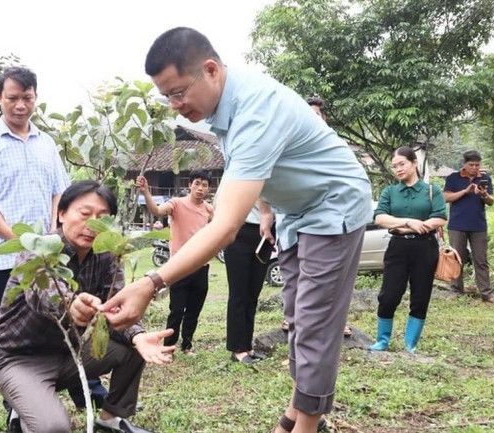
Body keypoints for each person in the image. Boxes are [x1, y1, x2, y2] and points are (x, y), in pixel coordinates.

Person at [102, 28, 373, 433]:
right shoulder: (227, 107)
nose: (175, 106)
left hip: (333, 205)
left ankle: (305, 425)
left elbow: (225, 227)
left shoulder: (254, 109)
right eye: (166, 97)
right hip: (295, 212)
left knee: (315, 321)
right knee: (297, 317)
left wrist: (152, 282)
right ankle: (299, 411)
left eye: (178, 93)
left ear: (210, 70)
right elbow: (261, 172)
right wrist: (267, 210)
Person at [0, 180, 175, 433]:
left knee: (134, 343)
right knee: (53, 427)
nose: (91, 225)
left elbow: (117, 306)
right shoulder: (39, 249)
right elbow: (42, 294)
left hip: (71, 354)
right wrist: (70, 304)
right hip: (21, 359)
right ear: (62, 213)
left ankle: (111, 419)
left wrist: (139, 336)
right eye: (84, 213)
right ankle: (22, 408)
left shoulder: (107, 255)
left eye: (102, 218)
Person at [0, 66, 72, 432]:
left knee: (53, 323)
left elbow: (61, 191)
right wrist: (17, 239)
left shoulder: (47, 143)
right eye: (13, 98)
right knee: (10, 334)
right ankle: (14, 404)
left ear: (36, 97)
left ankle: (47, 393)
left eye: (27, 98)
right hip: (4, 258)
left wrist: (56, 230)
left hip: (47, 257)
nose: (20, 105)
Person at [368, 146, 447, 353]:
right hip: (398, 247)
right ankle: (382, 341)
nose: (398, 169)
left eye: (402, 164)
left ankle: (410, 345)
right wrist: (409, 222)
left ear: (414, 163)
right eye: (394, 166)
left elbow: (440, 217)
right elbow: (380, 218)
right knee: (389, 295)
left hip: (425, 246)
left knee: (420, 295)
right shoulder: (390, 191)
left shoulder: (432, 191)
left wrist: (418, 225)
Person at [136, 170, 213, 355]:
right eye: (197, 183)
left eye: (204, 185)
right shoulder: (177, 204)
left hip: (201, 267)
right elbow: (157, 211)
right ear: (189, 185)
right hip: (179, 267)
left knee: (194, 310)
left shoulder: (209, 210)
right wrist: (146, 192)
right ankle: (168, 347)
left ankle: (187, 345)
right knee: (176, 309)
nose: (200, 188)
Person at [305, 94, 353, 338]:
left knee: (340, 280)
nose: (314, 119)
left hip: (339, 219)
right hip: (306, 223)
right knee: (306, 282)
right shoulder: (297, 146)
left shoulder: (336, 146)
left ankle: (337, 322)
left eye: (318, 114)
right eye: (309, 114)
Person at [443, 150, 494, 303]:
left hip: (478, 225)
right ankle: (456, 290)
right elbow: (446, 197)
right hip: (457, 225)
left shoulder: (485, 178)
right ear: (464, 164)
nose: (474, 168)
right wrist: (465, 191)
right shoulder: (453, 178)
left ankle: (486, 293)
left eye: (477, 165)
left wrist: (484, 194)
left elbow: (491, 202)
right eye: (471, 165)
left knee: (481, 259)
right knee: (456, 259)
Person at [224, 205, 274, 364]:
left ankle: (247, 346)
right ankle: (237, 349)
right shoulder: (238, 180)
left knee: (253, 295)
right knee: (239, 293)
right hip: (241, 230)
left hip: (267, 233)